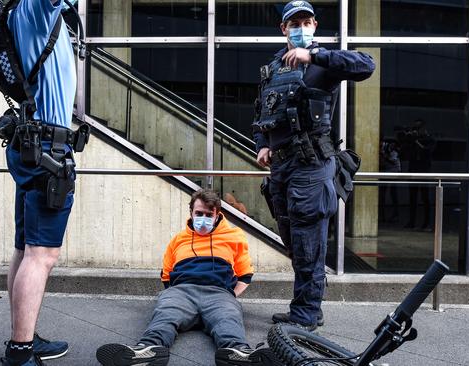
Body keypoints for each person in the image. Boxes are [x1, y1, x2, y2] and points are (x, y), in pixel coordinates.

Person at [253, 0, 375, 330]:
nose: (301, 28)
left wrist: (316, 55)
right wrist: (262, 145)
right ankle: (302, 308)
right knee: (293, 242)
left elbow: (366, 65)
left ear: (315, 26)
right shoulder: (274, 68)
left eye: (306, 22)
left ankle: (306, 316)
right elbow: (260, 116)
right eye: (294, 23)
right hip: (280, 168)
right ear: (283, 28)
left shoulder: (324, 62)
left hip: (310, 166)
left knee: (309, 245)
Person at [96, 189, 281, 366]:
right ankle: (146, 352)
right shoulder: (178, 239)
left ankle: (240, 355)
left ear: (217, 215)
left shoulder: (234, 237)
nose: (203, 219)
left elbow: (245, 274)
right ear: (191, 213)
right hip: (182, 291)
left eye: (209, 215)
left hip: (218, 293)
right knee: (165, 315)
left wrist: (230, 296)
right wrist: (174, 296)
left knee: (228, 319)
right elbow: (166, 274)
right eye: (199, 213)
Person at [0, 0, 81, 365]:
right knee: (41, 255)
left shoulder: (20, 10)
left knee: (25, 248)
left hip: (32, 143)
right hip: (47, 148)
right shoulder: (36, 6)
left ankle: (23, 335)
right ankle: (20, 350)